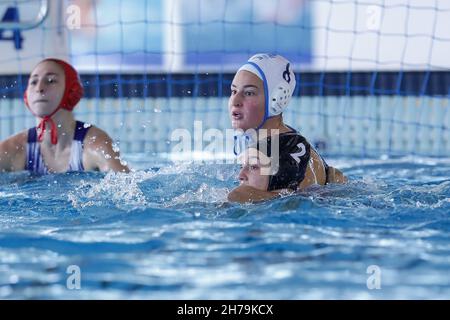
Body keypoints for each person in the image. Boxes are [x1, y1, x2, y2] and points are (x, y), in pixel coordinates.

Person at [227, 53, 346, 203]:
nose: (235, 101)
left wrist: (234, 197)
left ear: (276, 99)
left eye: (249, 93)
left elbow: (293, 203)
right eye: (233, 91)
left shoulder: (287, 148)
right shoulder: (281, 138)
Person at [0, 58, 129, 174]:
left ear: (71, 90)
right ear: (26, 95)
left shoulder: (95, 144)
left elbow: (126, 189)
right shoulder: (13, 148)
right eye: (33, 82)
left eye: (51, 81)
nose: (39, 88)